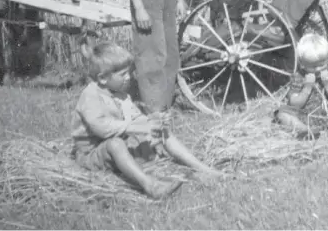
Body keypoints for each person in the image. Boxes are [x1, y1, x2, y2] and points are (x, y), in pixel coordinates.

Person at [72, 41, 220, 199]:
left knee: (162, 132)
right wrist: (138, 128)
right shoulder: (91, 96)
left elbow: (136, 118)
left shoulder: (121, 95)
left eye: (128, 72)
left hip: (120, 141)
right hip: (93, 154)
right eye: (122, 74)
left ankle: (203, 169)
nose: (128, 77)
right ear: (102, 78)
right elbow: (101, 128)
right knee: (115, 145)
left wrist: (153, 122)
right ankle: (150, 186)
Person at [274, 32, 328, 145]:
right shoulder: (298, 77)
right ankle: (306, 132)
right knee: (281, 113)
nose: (318, 69)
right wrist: (307, 88)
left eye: (322, 64)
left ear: (327, 59)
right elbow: (294, 104)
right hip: (306, 117)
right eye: (312, 66)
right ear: (302, 63)